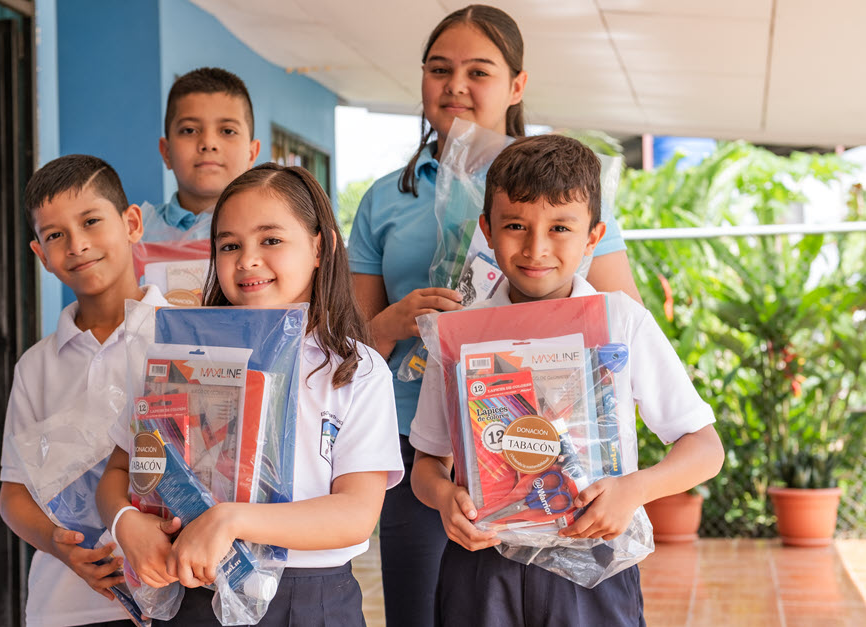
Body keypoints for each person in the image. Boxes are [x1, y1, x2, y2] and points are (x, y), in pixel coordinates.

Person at [346, 5, 643, 624]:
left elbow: (618, 332)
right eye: (439, 69)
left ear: (516, 85)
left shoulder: (561, 189)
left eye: (477, 71)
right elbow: (346, 348)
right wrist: (400, 322)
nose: (455, 85)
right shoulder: (386, 198)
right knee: (429, 606)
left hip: (547, 438)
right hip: (417, 441)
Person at [409, 134, 725, 625]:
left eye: (560, 227)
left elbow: (705, 448)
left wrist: (634, 490)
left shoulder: (620, 321)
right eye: (515, 225)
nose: (537, 248)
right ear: (487, 231)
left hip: (594, 563)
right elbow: (428, 462)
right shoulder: (461, 334)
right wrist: (445, 498)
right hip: (483, 566)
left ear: (593, 237)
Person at [96, 163, 404, 626]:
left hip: (310, 599)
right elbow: (119, 472)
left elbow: (357, 512)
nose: (248, 260)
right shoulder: (180, 357)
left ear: (321, 247)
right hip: (191, 593)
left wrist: (230, 521)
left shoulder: (355, 368)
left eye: (271, 240)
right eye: (229, 245)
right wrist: (126, 523)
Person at [0, 154, 169, 627]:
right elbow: (13, 495)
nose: (77, 244)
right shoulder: (36, 366)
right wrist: (57, 545)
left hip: (172, 597)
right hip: (64, 606)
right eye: (55, 235)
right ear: (41, 255)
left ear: (132, 223)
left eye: (91, 221)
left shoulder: (180, 340)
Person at [142, 67, 261, 242]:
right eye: (189, 130)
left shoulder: (275, 232)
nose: (208, 143)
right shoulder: (134, 234)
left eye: (228, 131)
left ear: (252, 154)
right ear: (166, 152)